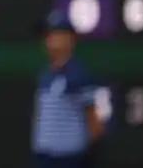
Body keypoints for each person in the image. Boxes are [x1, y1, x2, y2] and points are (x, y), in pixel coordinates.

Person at [31, 10, 104, 168]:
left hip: (70, 159)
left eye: (54, 35)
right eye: (46, 36)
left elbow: (94, 123)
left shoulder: (79, 75)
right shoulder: (46, 74)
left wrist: (88, 157)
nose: (48, 40)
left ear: (69, 39)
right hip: (45, 157)